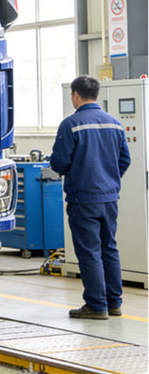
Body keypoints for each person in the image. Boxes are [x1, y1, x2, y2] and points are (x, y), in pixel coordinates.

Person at [50, 75, 130, 320]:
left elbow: (59, 162)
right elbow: (124, 160)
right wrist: (108, 180)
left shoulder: (70, 124)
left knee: (89, 252)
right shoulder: (115, 124)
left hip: (83, 199)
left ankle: (96, 305)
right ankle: (114, 303)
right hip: (109, 198)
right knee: (109, 248)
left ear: (75, 95)